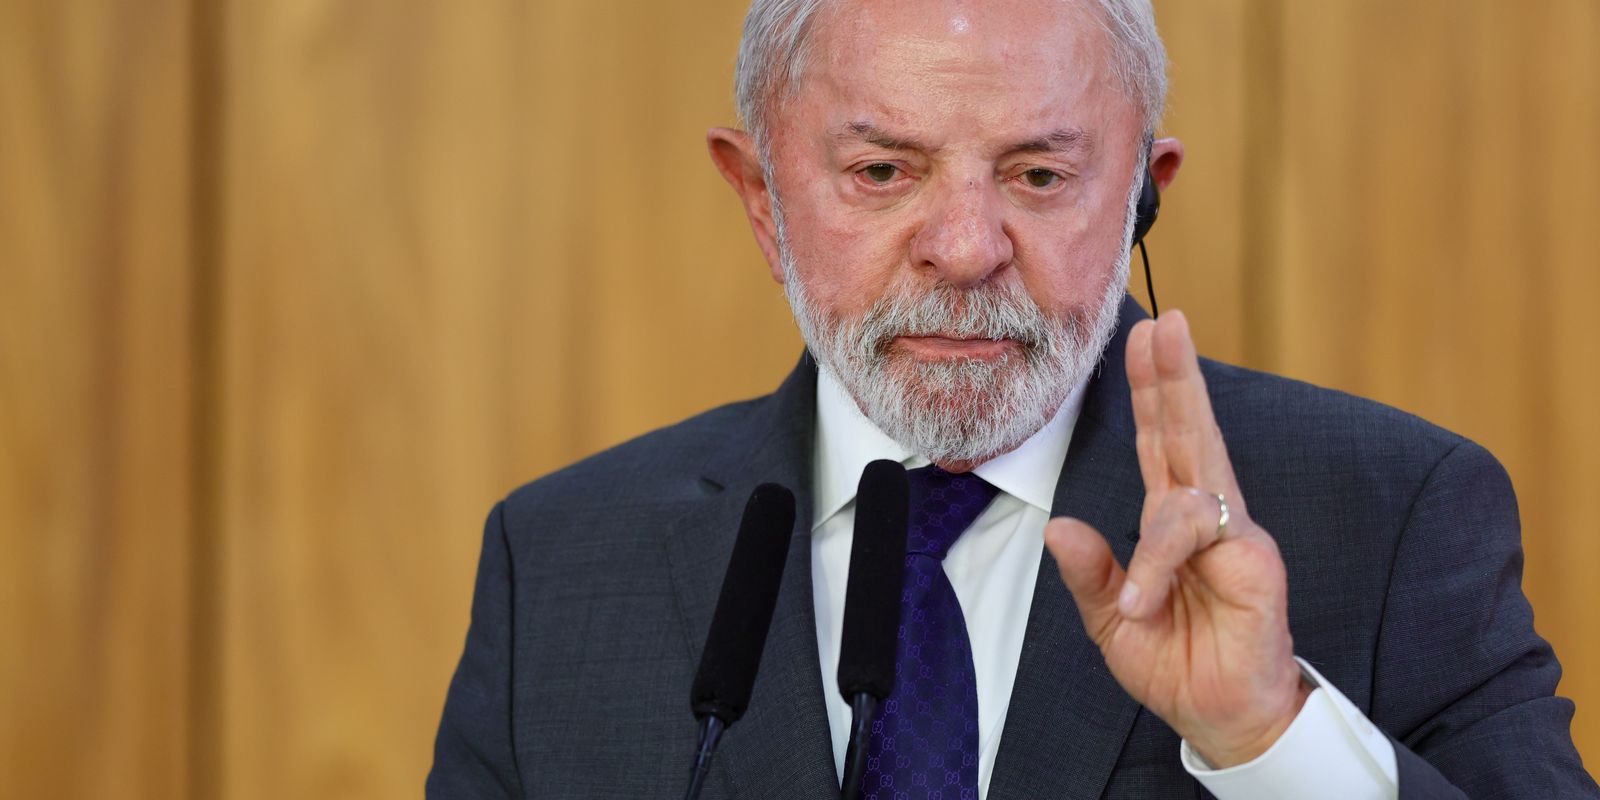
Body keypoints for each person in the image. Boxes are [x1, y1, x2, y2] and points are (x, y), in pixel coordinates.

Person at [427, 0, 1598, 797]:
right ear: (760, 199)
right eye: (882, 171)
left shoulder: (1387, 513)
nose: (964, 247)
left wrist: (1270, 737)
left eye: (1038, 175)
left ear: (1141, 196)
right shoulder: (562, 560)